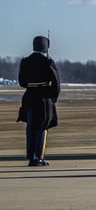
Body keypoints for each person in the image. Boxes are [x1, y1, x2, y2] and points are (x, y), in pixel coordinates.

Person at [17, 35, 60, 167]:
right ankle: (37, 157)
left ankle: (31, 156)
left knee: (30, 127)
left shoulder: (25, 61)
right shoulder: (48, 62)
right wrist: (52, 98)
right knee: (41, 126)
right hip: (44, 98)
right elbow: (56, 84)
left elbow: (22, 82)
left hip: (29, 97)